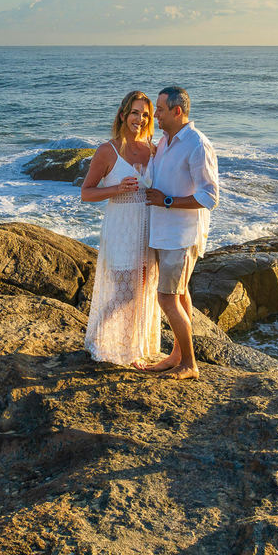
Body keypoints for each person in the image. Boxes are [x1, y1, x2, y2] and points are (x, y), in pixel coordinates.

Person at [138, 86, 219, 380]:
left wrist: (168, 201)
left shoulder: (197, 145)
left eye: (160, 110)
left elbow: (210, 197)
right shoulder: (164, 142)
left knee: (166, 298)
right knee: (180, 295)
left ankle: (190, 364)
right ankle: (177, 356)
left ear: (177, 111)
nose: (155, 116)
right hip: (163, 232)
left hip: (182, 236)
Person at [81, 90, 163, 368]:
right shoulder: (108, 151)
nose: (140, 119)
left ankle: (135, 348)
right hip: (121, 228)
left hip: (149, 227)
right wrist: (117, 189)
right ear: (123, 115)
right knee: (124, 293)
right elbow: (86, 193)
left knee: (145, 289)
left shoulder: (153, 149)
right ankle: (100, 337)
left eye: (146, 114)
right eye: (135, 113)